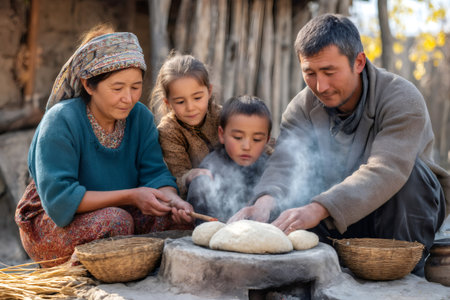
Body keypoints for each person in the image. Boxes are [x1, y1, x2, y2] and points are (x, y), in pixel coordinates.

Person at [229, 14, 449, 275]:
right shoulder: (301, 107)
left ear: (358, 62)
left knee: (411, 177)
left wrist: (319, 207)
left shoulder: (401, 98)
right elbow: (285, 162)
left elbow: (387, 169)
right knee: (288, 198)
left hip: (399, 217)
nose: (320, 86)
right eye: (309, 73)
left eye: (329, 72)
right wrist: (264, 201)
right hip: (334, 220)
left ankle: (405, 274)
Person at [15, 24, 193, 267]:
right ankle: (78, 273)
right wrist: (132, 195)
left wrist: (173, 200)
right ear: (89, 85)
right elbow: (60, 200)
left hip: (120, 209)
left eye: (136, 86)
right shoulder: (61, 121)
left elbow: (155, 174)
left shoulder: (139, 117)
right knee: (116, 222)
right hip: (53, 221)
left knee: (176, 219)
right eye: (117, 88)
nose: (128, 98)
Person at [186, 95, 272, 223]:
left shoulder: (270, 167)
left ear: (267, 140)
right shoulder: (212, 167)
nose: (247, 146)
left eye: (257, 139)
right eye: (237, 137)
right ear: (221, 134)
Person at [150, 53, 221, 198]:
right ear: (168, 103)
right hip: (198, 196)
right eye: (180, 102)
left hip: (235, 182)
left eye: (197, 98)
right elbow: (178, 176)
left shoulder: (221, 116)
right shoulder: (169, 131)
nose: (190, 107)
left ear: (209, 91)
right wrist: (190, 176)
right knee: (200, 184)